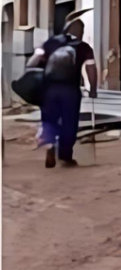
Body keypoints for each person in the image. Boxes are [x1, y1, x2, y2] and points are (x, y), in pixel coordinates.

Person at [28, 14, 97, 168]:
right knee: (69, 123)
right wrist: (93, 88)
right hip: (70, 91)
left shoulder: (51, 43)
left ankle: (50, 145)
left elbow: (33, 62)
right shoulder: (84, 47)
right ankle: (65, 156)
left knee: (49, 120)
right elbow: (91, 69)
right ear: (81, 32)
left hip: (48, 91)